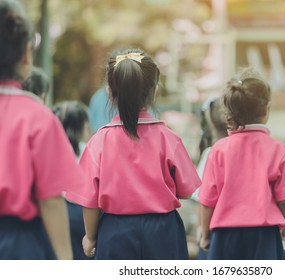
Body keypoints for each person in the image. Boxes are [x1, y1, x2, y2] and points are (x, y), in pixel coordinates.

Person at [65, 48, 201, 260]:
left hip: (114, 232)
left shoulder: (98, 142)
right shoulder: (168, 138)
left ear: (110, 92)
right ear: (154, 91)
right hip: (163, 232)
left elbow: (89, 200)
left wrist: (90, 237)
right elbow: (185, 191)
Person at [0, 0, 85, 260]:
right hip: (19, 243)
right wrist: (65, 263)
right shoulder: (38, 116)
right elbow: (51, 200)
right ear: (26, 54)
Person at [199, 71, 285, 260]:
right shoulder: (280, 150)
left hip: (225, 236)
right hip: (264, 235)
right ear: (266, 109)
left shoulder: (218, 150)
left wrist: (206, 236)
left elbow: (208, 201)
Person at [52, 100, 93, 260]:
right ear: (79, 127)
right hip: (81, 214)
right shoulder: (87, 149)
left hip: (56, 209)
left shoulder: (49, 150)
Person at [192, 96, 228, 259]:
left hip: (213, 229)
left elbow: (203, 199)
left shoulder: (210, 154)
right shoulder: (241, 149)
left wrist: (201, 228)